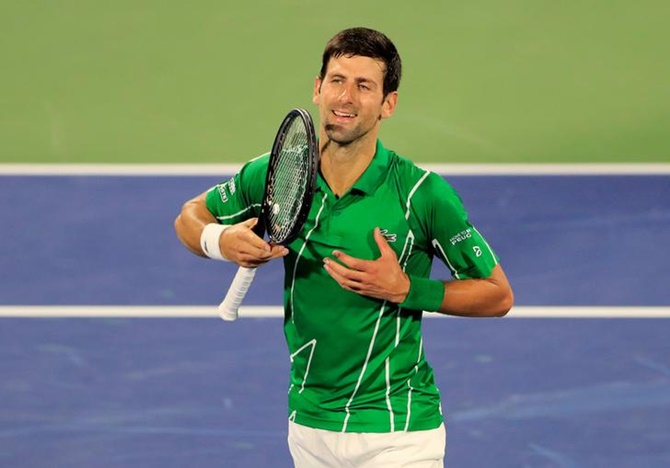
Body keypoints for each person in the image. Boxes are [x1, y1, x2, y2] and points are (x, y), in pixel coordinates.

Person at [174, 27, 513, 468]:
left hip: (398, 427)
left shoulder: (421, 195)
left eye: (363, 85)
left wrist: (407, 289)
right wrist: (221, 240)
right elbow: (189, 216)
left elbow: (497, 293)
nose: (346, 97)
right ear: (317, 89)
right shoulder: (277, 175)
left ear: (387, 103)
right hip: (310, 423)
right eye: (337, 80)